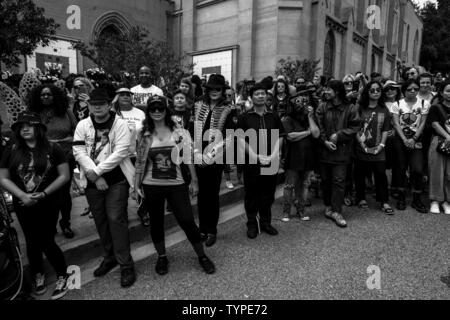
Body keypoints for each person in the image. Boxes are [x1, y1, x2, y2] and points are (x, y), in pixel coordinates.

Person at [134, 95, 215, 275]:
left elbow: (188, 157)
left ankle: (202, 255)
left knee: (187, 220)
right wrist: (136, 186)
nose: (156, 112)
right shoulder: (143, 133)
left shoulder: (179, 131)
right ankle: (162, 256)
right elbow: (140, 161)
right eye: (153, 109)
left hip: (176, 183)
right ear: (148, 111)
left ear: (166, 110)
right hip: (151, 184)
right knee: (156, 223)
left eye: (160, 108)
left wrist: (194, 181)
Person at [0, 112, 70, 299]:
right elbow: (3, 177)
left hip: (49, 201)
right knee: (31, 241)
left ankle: (63, 275)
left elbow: (64, 175)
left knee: (47, 240)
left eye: (29, 125)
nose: (24, 129)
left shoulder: (53, 148)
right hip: (23, 203)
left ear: (38, 128)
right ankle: (38, 274)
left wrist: (44, 193)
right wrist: (22, 195)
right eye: (20, 126)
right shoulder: (11, 150)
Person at [73, 88, 136, 288]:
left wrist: (97, 171)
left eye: (102, 103)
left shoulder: (120, 124)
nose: (97, 107)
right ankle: (110, 257)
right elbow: (78, 150)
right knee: (100, 221)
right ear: (89, 105)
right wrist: (95, 175)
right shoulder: (83, 124)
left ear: (109, 105)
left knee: (116, 219)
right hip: (93, 182)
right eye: (94, 104)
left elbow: (121, 151)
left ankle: (126, 264)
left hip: (117, 180)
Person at [28, 84, 77, 239]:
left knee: (64, 193)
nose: (45, 97)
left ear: (55, 96)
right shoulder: (33, 114)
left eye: (48, 94)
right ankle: (50, 223)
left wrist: (70, 139)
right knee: (45, 192)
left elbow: (78, 132)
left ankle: (66, 223)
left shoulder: (66, 112)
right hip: (42, 159)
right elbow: (26, 136)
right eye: (42, 95)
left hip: (65, 157)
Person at [237, 82, 285, 239]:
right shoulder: (245, 117)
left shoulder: (274, 116)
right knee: (251, 194)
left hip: (271, 161)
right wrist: (255, 156)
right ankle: (251, 224)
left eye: (263, 94)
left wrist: (274, 154)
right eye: (256, 94)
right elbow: (240, 139)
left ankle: (265, 222)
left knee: (268, 193)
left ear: (267, 96)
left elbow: (280, 136)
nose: (260, 96)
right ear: (251, 97)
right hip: (251, 162)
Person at [193, 74, 234, 247]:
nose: (214, 92)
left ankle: (211, 230)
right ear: (207, 89)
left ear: (222, 91)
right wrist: (196, 153)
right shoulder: (197, 105)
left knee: (212, 195)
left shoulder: (228, 109)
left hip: (216, 159)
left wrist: (210, 155)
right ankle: (202, 228)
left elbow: (229, 137)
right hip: (197, 156)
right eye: (211, 89)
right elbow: (192, 130)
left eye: (218, 89)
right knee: (201, 195)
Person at [316, 80, 361, 228]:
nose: (326, 92)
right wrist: (324, 141)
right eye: (325, 89)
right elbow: (319, 126)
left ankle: (337, 211)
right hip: (324, 151)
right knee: (325, 180)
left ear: (338, 91)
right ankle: (328, 205)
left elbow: (355, 127)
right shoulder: (322, 107)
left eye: (329, 89)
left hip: (342, 153)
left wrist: (339, 135)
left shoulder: (351, 108)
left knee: (339, 181)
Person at [354, 81, 394, 214]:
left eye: (378, 90)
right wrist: (362, 145)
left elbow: (385, 129)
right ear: (367, 92)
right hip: (361, 147)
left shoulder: (384, 109)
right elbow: (355, 128)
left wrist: (381, 145)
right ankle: (360, 198)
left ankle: (384, 201)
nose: (376, 92)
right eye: (372, 90)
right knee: (360, 174)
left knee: (380, 174)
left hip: (379, 149)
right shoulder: (359, 108)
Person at [112, 87, 149, 227]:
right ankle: (123, 215)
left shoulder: (140, 113)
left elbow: (146, 131)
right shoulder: (112, 113)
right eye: (122, 94)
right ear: (117, 97)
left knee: (141, 184)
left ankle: (143, 212)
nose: (126, 96)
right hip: (119, 157)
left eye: (128, 94)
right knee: (121, 188)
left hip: (138, 155)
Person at [391, 79, 430, 213]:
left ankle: (416, 199)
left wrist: (413, 138)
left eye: (415, 89)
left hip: (417, 140)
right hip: (400, 139)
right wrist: (404, 139)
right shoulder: (397, 104)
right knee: (401, 168)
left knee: (417, 169)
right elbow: (396, 123)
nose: (413, 91)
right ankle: (401, 197)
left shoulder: (425, 103)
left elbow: (423, 123)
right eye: (409, 89)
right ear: (404, 90)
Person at [281, 89, 320, 222]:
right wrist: (306, 133)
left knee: (304, 185)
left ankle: (301, 210)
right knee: (290, 186)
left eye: (304, 101)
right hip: (293, 157)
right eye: (298, 101)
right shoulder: (288, 119)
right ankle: (286, 212)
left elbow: (316, 133)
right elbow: (290, 136)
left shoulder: (309, 118)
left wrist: (310, 116)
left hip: (308, 157)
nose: (301, 104)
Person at [427, 80, 450, 215]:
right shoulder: (435, 108)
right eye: (447, 91)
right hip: (439, 141)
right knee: (437, 172)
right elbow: (435, 124)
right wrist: (448, 137)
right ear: (441, 92)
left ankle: (447, 202)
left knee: (449, 174)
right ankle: (435, 200)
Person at [382, 80, 402, 199]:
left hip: (399, 137)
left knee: (398, 164)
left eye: (393, 88)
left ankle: (396, 187)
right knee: (385, 164)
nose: (390, 91)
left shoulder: (402, 103)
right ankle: (385, 187)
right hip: (384, 137)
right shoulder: (381, 104)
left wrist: (396, 131)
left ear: (397, 90)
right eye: (387, 89)